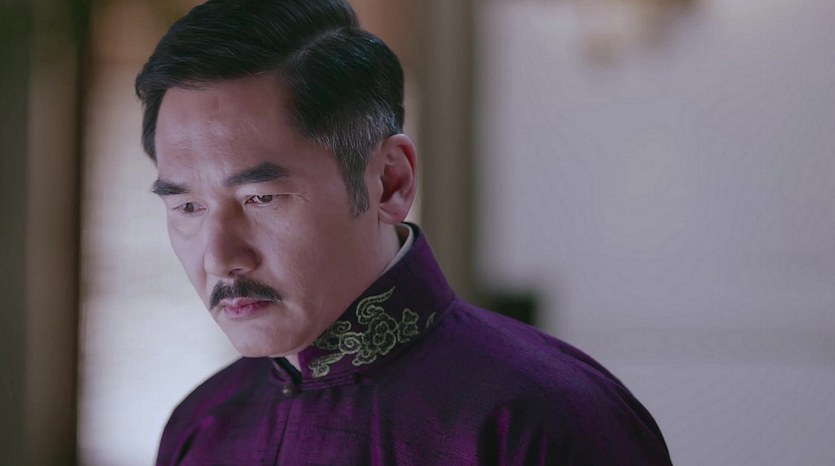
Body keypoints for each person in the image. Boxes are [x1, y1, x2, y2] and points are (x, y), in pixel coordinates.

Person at [136, 0, 673, 464]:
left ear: (390, 181)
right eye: (187, 206)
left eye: (261, 198)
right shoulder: (200, 425)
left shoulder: (545, 420)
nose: (218, 257)